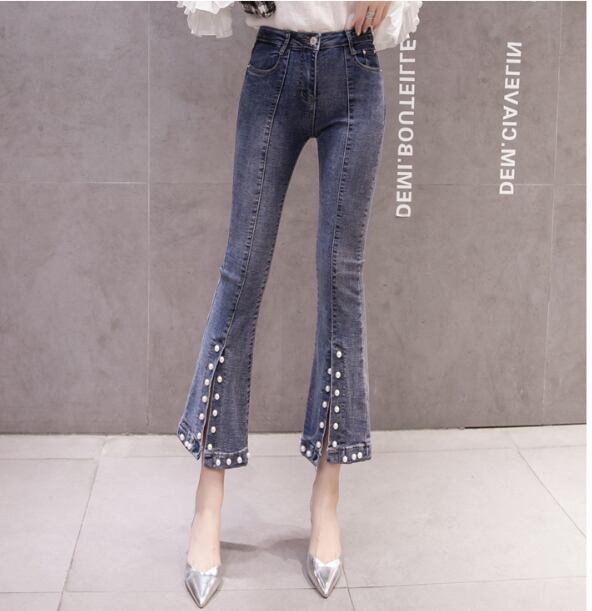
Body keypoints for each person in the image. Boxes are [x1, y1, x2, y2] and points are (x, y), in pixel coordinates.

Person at [175, 1, 422, 607]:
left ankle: (326, 501)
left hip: (355, 67)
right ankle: (207, 505)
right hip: (274, 62)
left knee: (341, 277)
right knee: (241, 271)